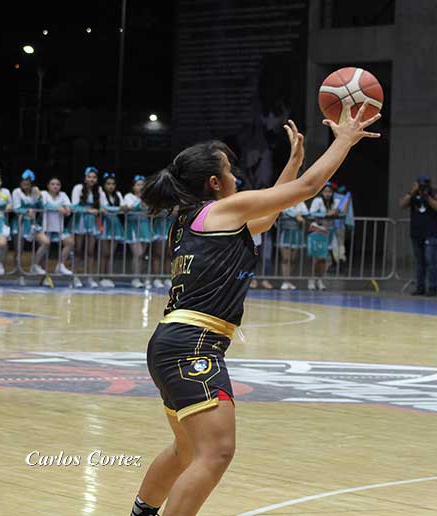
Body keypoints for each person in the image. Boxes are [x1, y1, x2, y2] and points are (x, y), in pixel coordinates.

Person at [129, 110, 378, 516]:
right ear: (215, 183)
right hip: (193, 345)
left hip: (172, 343)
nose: (237, 180)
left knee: (187, 450)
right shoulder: (222, 211)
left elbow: (269, 215)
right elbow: (311, 188)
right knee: (217, 452)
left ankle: (142, 511)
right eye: (231, 173)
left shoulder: (192, 219)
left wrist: (292, 165)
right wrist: (344, 140)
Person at [401, 176, 437, 295]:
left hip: (431, 234)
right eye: (420, 184)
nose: (422, 186)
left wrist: (427, 197)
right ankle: (420, 287)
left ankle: (432, 288)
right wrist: (412, 192)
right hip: (416, 234)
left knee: (430, 261)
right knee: (419, 262)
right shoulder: (413, 195)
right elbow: (402, 204)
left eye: (425, 184)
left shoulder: (436, 194)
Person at [12, 169, 49, 276]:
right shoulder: (16, 192)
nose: (26, 183)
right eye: (24, 180)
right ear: (20, 182)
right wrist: (26, 211)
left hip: (32, 224)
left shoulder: (35, 192)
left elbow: (43, 208)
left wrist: (40, 197)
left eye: (28, 181)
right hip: (20, 223)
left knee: (46, 242)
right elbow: (16, 208)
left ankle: (35, 264)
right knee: (19, 250)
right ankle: (19, 274)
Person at [71, 166, 102, 287]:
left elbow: (102, 206)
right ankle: (75, 277)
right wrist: (88, 210)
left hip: (93, 223)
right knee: (78, 250)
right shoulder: (78, 188)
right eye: (89, 177)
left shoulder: (98, 191)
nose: (92, 179)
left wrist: (101, 209)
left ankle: (90, 277)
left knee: (90, 251)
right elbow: (74, 206)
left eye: (94, 177)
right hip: (81, 222)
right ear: (85, 178)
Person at [308, 183, 340, 290]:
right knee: (318, 257)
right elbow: (311, 213)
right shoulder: (318, 201)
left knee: (327, 258)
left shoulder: (335, 202)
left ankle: (320, 279)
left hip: (330, 232)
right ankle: (312, 279)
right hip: (319, 231)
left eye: (330, 192)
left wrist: (335, 213)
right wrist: (325, 214)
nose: (328, 194)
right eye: (326, 191)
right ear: (322, 192)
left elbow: (340, 213)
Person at [123, 175, 154, 288]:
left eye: (142, 185)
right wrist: (139, 201)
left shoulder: (148, 197)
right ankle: (135, 278)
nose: (141, 187)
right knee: (138, 253)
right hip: (133, 227)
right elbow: (128, 208)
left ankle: (141, 277)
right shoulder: (129, 196)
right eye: (138, 184)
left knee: (142, 255)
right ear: (133, 187)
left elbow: (150, 210)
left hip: (144, 226)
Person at [40, 177, 75, 276]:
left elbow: (69, 206)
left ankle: (60, 265)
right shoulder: (44, 194)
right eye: (52, 184)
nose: (55, 186)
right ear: (48, 186)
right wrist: (57, 208)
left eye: (58, 184)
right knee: (44, 251)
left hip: (59, 227)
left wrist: (67, 209)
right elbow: (43, 205)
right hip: (46, 226)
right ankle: (44, 276)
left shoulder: (63, 195)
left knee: (70, 242)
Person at [99, 172, 126, 288]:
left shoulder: (118, 194)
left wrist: (114, 209)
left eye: (113, 184)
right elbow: (103, 207)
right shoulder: (101, 193)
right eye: (108, 184)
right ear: (104, 185)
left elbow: (124, 207)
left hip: (115, 224)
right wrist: (117, 209)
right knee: (104, 252)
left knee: (110, 253)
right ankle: (101, 277)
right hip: (105, 224)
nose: (111, 186)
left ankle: (108, 276)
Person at [277, 201, 309, 290]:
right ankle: (285, 281)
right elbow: (284, 213)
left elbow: (306, 216)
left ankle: (288, 280)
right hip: (286, 233)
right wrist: (296, 215)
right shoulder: (285, 203)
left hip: (297, 234)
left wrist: (299, 217)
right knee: (285, 259)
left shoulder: (302, 203)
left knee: (293, 259)